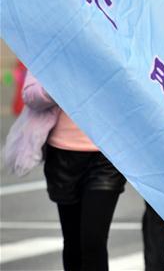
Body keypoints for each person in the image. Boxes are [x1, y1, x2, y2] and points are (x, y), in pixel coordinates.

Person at [21, 72, 126, 271]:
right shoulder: (54, 43)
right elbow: (29, 94)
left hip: (106, 157)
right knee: (73, 244)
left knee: (93, 242)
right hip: (63, 157)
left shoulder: (117, 41)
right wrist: (58, 85)